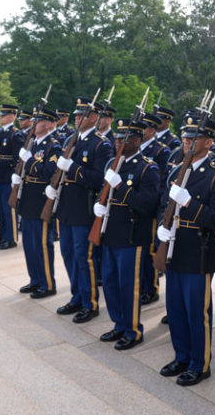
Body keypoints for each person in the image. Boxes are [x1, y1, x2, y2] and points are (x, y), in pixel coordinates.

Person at [156, 113, 215, 385]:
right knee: (175, 309)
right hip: (174, 247)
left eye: (194, 137)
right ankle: (182, 356)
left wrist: (190, 203)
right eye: (186, 136)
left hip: (198, 251)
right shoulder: (177, 170)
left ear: (209, 142)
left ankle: (200, 364)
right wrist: (161, 229)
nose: (186, 140)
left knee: (196, 312)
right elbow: (165, 205)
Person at [95, 117, 160, 350]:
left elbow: (148, 205)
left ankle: (133, 330)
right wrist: (99, 205)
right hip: (110, 231)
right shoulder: (113, 163)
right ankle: (118, 323)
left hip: (132, 235)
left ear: (137, 140)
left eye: (124, 138)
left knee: (128, 285)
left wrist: (120, 186)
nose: (118, 142)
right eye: (117, 138)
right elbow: (102, 192)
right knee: (110, 282)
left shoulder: (147, 168)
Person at [52, 97, 111, 323]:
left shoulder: (100, 144)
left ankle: (90, 303)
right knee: (68, 254)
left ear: (94, 117)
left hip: (84, 209)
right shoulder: (71, 139)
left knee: (83, 257)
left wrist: (73, 168)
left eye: (82, 115)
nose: (77, 118)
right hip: (66, 207)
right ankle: (76, 296)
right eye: (76, 115)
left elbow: (98, 180)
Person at [15, 108, 61, 298]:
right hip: (28, 197)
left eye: (39, 121)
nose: (35, 124)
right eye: (35, 120)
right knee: (29, 243)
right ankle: (35, 279)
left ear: (49, 124)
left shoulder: (54, 146)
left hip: (41, 199)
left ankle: (48, 284)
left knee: (42, 243)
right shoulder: (32, 143)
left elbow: (49, 171)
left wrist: (30, 161)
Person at [139, 112, 170, 305]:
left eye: (143, 128)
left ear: (151, 130)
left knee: (149, 251)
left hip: (150, 208)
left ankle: (151, 288)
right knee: (140, 251)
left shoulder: (161, 151)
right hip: (137, 206)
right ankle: (142, 285)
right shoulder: (135, 148)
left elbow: (161, 182)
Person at [0, 104, 24, 249]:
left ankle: (11, 239)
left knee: (9, 209)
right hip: (0, 176)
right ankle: (2, 236)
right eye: (1, 115)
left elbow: (18, 159)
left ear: (12, 116)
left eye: (4, 115)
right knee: (0, 208)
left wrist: (15, 176)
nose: (1, 117)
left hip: (9, 177)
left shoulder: (15, 134)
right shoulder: (0, 133)